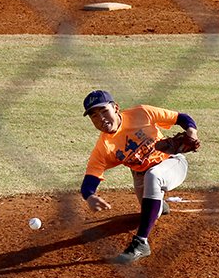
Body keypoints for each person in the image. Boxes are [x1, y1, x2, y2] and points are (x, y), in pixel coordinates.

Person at [80, 89, 200, 263]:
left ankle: (141, 242)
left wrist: (192, 133)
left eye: (104, 111)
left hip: (173, 163)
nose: (101, 119)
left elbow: (182, 118)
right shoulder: (104, 147)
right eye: (94, 116)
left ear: (115, 108)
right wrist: (89, 196)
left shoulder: (142, 113)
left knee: (154, 175)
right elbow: (90, 179)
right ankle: (161, 205)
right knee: (153, 208)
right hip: (141, 177)